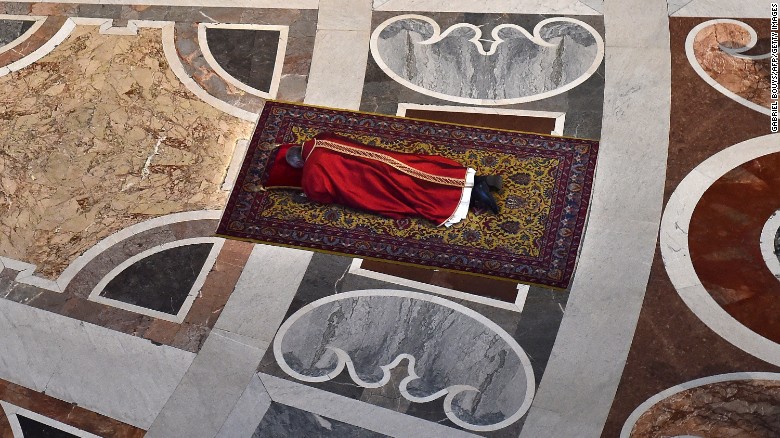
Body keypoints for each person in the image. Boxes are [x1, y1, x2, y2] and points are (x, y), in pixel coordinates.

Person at [273, 132, 501, 227]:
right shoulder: (320, 138)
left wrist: (305, 193)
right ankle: (477, 180)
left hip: (370, 179)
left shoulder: (312, 168)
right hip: (383, 159)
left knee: (407, 191)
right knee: (417, 168)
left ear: (300, 163)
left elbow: (320, 193)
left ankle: (473, 195)